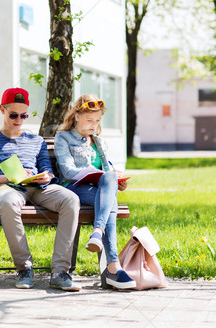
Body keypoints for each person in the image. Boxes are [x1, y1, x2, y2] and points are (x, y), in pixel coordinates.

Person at [0, 87, 81, 291]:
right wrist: (10, 176)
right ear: (2, 110)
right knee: (8, 202)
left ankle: (60, 271)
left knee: (71, 199)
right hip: (8, 187)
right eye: (13, 115)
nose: (19, 120)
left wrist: (45, 176)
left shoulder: (36, 141)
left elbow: (48, 171)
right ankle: (24, 267)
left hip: (38, 187)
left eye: (23, 115)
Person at [54, 94, 136, 289]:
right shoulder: (63, 138)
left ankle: (98, 234)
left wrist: (117, 181)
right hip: (74, 190)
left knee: (110, 183)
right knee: (111, 203)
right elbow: (67, 171)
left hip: (99, 192)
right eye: (89, 120)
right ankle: (113, 267)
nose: (94, 124)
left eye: (97, 120)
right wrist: (100, 175)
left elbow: (108, 171)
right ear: (76, 116)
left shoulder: (98, 141)